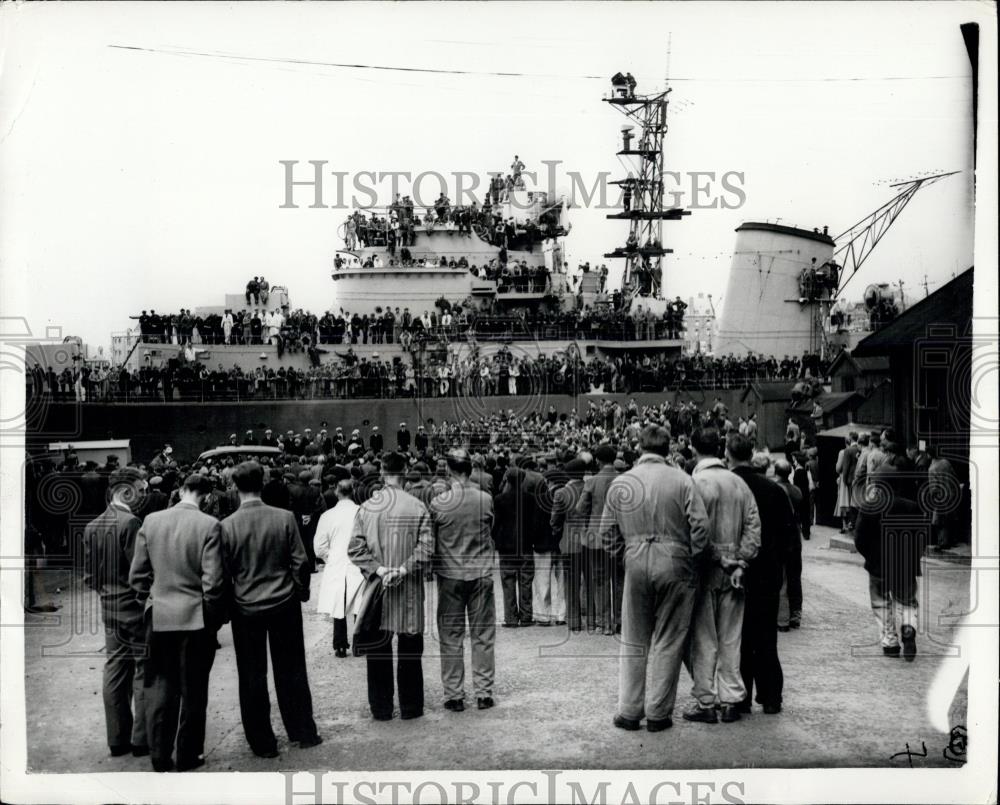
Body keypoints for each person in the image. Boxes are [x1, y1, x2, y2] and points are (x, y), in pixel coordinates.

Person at [599, 424, 710, 732]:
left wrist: (626, 554)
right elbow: (700, 527)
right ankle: (658, 712)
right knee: (669, 638)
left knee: (634, 638)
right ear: (667, 448)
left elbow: (605, 533)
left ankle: (629, 711)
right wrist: (692, 557)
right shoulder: (683, 480)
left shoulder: (622, 482)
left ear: (639, 448)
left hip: (635, 557)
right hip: (675, 561)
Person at [220, 462, 321, 758]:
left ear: (235, 487)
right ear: (262, 483)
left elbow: (224, 572)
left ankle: (262, 742)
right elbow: (300, 562)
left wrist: (229, 604)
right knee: (291, 670)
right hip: (283, 603)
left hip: (245, 606)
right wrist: (299, 592)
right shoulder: (284, 517)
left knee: (251, 675)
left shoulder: (227, 526)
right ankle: (303, 731)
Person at [129, 473, 228, 772]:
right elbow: (213, 582)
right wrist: (210, 618)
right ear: (207, 496)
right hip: (194, 617)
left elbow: (137, 576)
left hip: (158, 616)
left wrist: (150, 600)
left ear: (181, 490)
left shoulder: (151, 522)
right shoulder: (210, 525)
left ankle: (159, 755)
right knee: (194, 689)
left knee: (159, 686)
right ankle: (188, 755)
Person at [683, 428, 761, 725]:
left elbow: (692, 533)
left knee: (704, 638)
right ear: (721, 450)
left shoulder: (695, 482)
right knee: (731, 637)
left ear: (693, 448)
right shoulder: (739, 483)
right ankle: (731, 699)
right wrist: (741, 561)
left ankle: (706, 700)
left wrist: (721, 558)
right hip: (735, 571)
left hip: (706, 567)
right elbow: (754, 528)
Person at [349, 451, 434, 721]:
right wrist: (405, 567)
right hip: (408, 587)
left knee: (378, 654)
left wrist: (380, 568)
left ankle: (381, 708)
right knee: (410, 651)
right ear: (405, 470)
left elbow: (355, 549)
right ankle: (411, 707)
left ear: (382, 472)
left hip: (377, 589)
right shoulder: (418, 507)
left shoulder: (367, 507)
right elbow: (427, 547)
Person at [82, 467, 150, 758]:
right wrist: (143, 598)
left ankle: (117, 739)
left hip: (108, 606)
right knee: (144, 669)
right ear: (124, 491)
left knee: (114, 671)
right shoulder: (131, 522)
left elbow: (89, 576)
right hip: (132, 608)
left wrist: (106, 594)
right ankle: (140, 740)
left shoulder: (92, 526)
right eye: (140, 489)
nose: (144, 495)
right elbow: (139, 572)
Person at [727, 436, 796, 715]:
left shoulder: (729, 487)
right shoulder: (773, 490)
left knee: (739, 638)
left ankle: (740, 696)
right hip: (768, 571)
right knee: (767, 637)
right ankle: (771, 697)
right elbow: (790, 537)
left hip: (733, 570)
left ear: (728, 454)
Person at [428, 449, 497, 712]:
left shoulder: (438, 502)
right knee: (482, 635)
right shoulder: (486, 499)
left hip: (450, 575)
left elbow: (433, 539)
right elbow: (490, 530)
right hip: (480, 573)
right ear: (470, 470)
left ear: (449, 470)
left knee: (451, 636)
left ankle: (454, 694)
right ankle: (484, 692)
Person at [855, 451, 929, 660]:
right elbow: (922, 538)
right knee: (906, 600)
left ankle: (890, 642)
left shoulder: (870, 506)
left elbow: (859, 538)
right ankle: (908, 628)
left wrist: (871, 556)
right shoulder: (912, 507)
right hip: (904, 565)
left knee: (880, 602)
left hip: (878, 565)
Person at [313, 479, 364, 658]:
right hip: (358, 562)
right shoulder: (362, 512)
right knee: (360, 603)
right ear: (353, 491)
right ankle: (360, 644)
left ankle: (340, 645)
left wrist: (331, 556)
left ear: (337, 492)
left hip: (337, 562)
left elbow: (319, 546)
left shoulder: (327, 516)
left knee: (338, 604)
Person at [575, 444, 620, 633]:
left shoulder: (592, 481)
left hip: (596, 537)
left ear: (598, 461)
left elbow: (580, 509)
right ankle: (619, 620)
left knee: (600, 580)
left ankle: (604, 623)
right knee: (619, 580)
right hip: (620, 537)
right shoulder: (624, 479)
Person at [493, 465, 537, 627]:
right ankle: (526, 616)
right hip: (525, 544)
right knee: (526, 581)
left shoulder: (499, 499)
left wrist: (495, 539)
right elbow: (533, 523)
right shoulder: (530, 498)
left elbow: (496, 523)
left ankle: (511, 618)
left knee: (508, 582)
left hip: (506, 546)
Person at [772, 459, 804, 632]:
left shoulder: (775, 490)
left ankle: (782, 615)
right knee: (795, 575)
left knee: (782, 576)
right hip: (795, 537)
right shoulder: (796, 491)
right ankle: (795, 613)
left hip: (780, 537)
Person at [835, 432, 860, 532]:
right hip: (856, 480)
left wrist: (844, 480)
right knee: (852, 502)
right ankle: (852, 523)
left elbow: (839, 468)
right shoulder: (860, 449)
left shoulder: (843, 452)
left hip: (846, 480)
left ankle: (844, 525)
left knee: (844, 502)